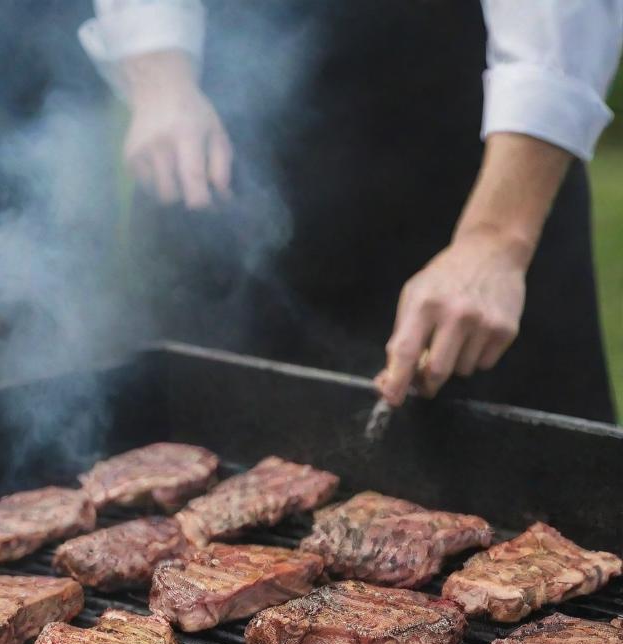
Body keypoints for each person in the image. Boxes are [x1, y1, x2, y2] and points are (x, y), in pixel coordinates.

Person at [79, 0, 623, 420]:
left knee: (532, 517)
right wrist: (160, 78)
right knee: (184, 445)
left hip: (468, 174)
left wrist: (496, 236)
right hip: (217, 180)